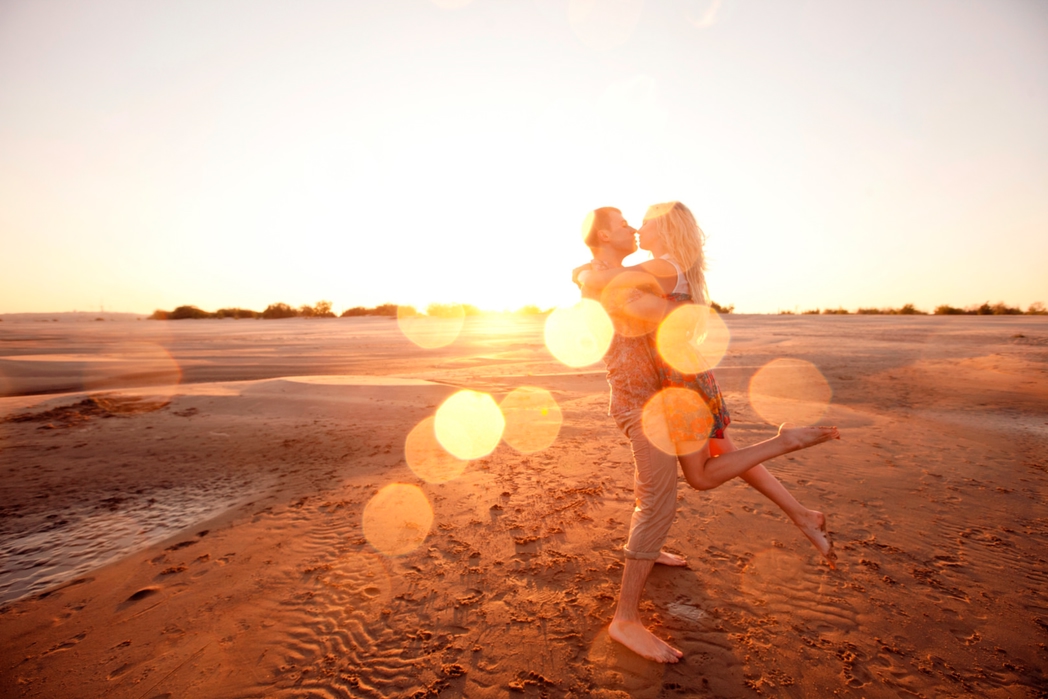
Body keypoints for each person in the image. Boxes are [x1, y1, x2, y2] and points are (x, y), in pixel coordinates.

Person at [577, 204, 839, 664]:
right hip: (660, 393)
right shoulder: (652, 270)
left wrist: (588, 274)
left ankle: (628, 612)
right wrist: (588, 273)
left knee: (675, 487)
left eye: (643, 220)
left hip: (671, 392)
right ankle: (800, 508)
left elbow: (639, 301)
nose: (636, 226)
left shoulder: (659, 269)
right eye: (624, 224)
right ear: (602, 234)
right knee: (679, 483)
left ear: (667, 229)